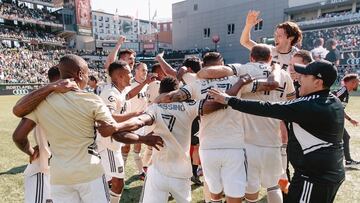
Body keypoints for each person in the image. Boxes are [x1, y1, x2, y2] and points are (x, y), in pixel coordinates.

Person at [12, 54, 163, 203]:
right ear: (80, 74)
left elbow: (18, 136)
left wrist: (31, 151)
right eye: (87, 74)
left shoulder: (42, 102)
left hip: (60, 177)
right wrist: (142, 132)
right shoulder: (91, 100)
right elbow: (110, 130)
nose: (88, 78)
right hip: (90, 173)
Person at [208, 60, 345, 203]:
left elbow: (268, 108)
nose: (299, 78)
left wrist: (229, 100)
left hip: (315, 177)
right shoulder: (332, 100)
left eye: (305, 75)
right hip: (326, 172)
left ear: (318, 82)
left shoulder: (310, 105)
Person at [154, 51, 281, 203]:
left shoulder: (195, 82)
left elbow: (168, 97)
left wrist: (158, 99)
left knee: (214, 196)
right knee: (235, 197)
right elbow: (272, 84)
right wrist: (276, 68)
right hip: (234, 146)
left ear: (204, 65)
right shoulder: (237, 80)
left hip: (208, 147)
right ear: (222, 64)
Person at [196, 45, 295, 203]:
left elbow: (208, 73)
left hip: (247, 141)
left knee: (250, 190)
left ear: (251, 57)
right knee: (273, 186)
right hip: (272, 139)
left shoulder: (242, 69)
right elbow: (291, 102)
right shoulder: (283, 74)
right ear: (270, 58)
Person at [22, 66, 59, 203]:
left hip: (55, 168)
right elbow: (18, 136)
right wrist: (31, 151)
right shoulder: (44, 100)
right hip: (44, 169)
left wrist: (31, 151)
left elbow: (19, 136)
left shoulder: (40, 99)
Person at [332, 73, 359, 166]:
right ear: (352, 82)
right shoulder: (343, 90)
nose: (358, 84)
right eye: (357, 82)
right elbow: (331, 98)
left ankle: (347, 160)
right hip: (331, 120)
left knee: (344, 137)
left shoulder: (345, 92)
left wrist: (350, 120)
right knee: (342, 138)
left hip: (334, 120)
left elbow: (340, 109)